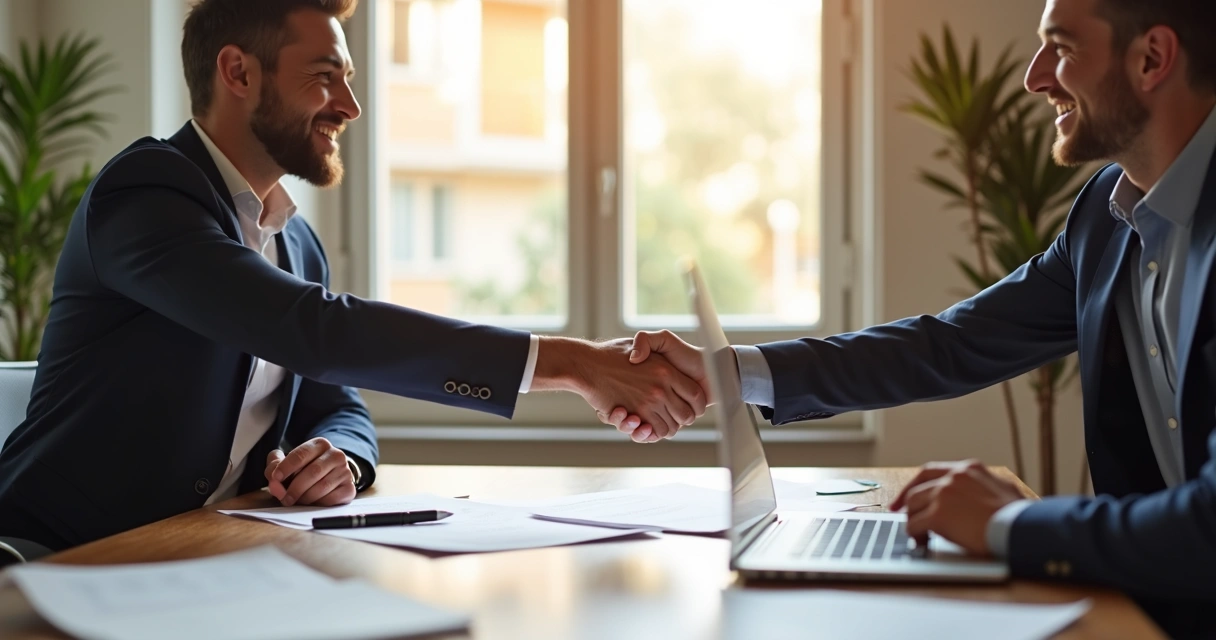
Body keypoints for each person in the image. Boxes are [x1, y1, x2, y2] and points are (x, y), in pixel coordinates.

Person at [0, 0, 707, 554]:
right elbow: (313, 329)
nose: (350, 106)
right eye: (325, 78)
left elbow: (340, 405)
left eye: (349, 80)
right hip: (56, 557)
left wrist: (343, 457)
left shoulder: (296, 242)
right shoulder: (147, 195)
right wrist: (576, 363)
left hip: (201, 555)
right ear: (239, 73)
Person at [611, 0, 1216, 635]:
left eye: (1062, 49)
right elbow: (954, 343)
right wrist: (731, 374)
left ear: (1151, 58)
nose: (1036, 77)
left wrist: (1006, 522)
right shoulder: (1106, 215)